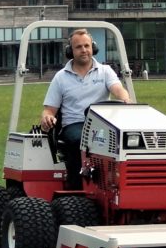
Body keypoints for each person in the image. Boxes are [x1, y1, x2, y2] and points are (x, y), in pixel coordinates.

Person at [40, 29, 130, 188]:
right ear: (70, 51)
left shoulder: (105, 72)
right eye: (79, 47)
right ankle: (77, 188)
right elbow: (49, 110)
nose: (84, 50)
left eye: (87, 46)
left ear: (93, 48)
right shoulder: (61, 78)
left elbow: (118, 89)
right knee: (83, 140)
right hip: (74, 125)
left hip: (102, 125)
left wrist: (125, 98)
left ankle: (118, 185)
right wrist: (47, 117)